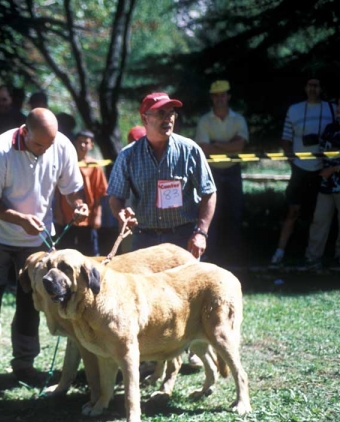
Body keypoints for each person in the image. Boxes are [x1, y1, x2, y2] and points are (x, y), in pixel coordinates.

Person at [0, 108, 88, 391]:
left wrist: (77, 205)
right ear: (25, 131)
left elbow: (72, 188)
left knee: (31, 301)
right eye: (38, 145)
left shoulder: (60, 145)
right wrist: (20, 219)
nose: (45, 150)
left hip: (37, 241)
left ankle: (24, 364)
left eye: (50, 144)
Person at [107, 92, 216, 370]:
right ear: (145, 119)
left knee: (188, 297)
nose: (168, 119)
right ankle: (146, 357)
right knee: (143, 301)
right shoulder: (128, 156)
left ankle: (192, 349)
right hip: (145, 238)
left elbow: (208, 192)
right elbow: (115, 196)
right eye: (160, 113)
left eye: (171, 113)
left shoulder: (189, 149)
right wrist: (121, 214)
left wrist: (201, 231)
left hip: (183, 236)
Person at [271, 77, 337, 265]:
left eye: (316, 85)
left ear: (321, 88)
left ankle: (315, 255)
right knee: (293, 212)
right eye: (310, 85)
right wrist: (293, 161)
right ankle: (279, 253)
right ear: (305, 87)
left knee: (321, 216)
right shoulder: (295, 109)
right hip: (300, 169)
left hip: (323, 169)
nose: (313, 89)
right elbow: (286, 138)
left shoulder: (331, 109)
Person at [195, 80, 249, 266]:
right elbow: (204, 148)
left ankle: (233, 257)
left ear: (228, 96)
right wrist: (229, 145)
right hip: (212, 172)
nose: (220, 98)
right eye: (216, 95)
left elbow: (240, 146)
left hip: (233, 170)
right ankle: (212, 257)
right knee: (212, 215)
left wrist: (216, 144)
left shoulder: (238, 119)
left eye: (223, 94)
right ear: (212, 97)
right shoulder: (204, 120)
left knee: (234, 213)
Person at [54, 130, 107, 256]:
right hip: (67, 216)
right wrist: (57, 211)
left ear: (91, 145)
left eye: (86, 142)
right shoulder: (66, 163)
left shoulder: (95, 166)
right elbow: (57, 191)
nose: (82, 145)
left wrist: (97, 215)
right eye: (80, 142)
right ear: (74, 143)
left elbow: (99, 193)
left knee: (89, 253)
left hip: (87, 217)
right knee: (64, 252)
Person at [302, 98, 340, 270]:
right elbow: (322, 152)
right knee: (319, 221)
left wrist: (333, 170)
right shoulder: (330, 128)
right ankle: (312, 258)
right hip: (326, 185)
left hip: (335, 180)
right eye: (339, 105)